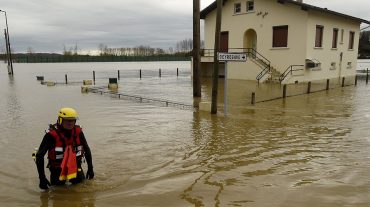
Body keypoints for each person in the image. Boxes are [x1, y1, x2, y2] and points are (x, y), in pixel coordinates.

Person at [35, 107, 94, 190]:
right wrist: (42, 178)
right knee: (57, 193)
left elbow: (87, 149)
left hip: (76, 166)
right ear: (60, 120)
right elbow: (40, 156)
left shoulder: (78, 132)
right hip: (57, 169)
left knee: (81, 189)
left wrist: (90, 168)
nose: (70, 123)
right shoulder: (51, 135)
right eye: (67, 120)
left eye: (73, 120)